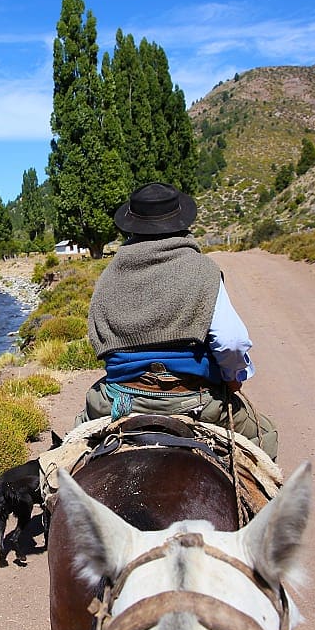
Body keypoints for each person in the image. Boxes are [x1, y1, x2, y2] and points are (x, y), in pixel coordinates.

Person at [78, 182, 278, 459]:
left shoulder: (110, 275)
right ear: (182, 221)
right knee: (265, 435)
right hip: (194, 399)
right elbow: (231, 341)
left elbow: (98, 336)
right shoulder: (203, 269)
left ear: (132, 226)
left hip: (119, 399)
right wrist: (233, 378)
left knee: (72, 450)